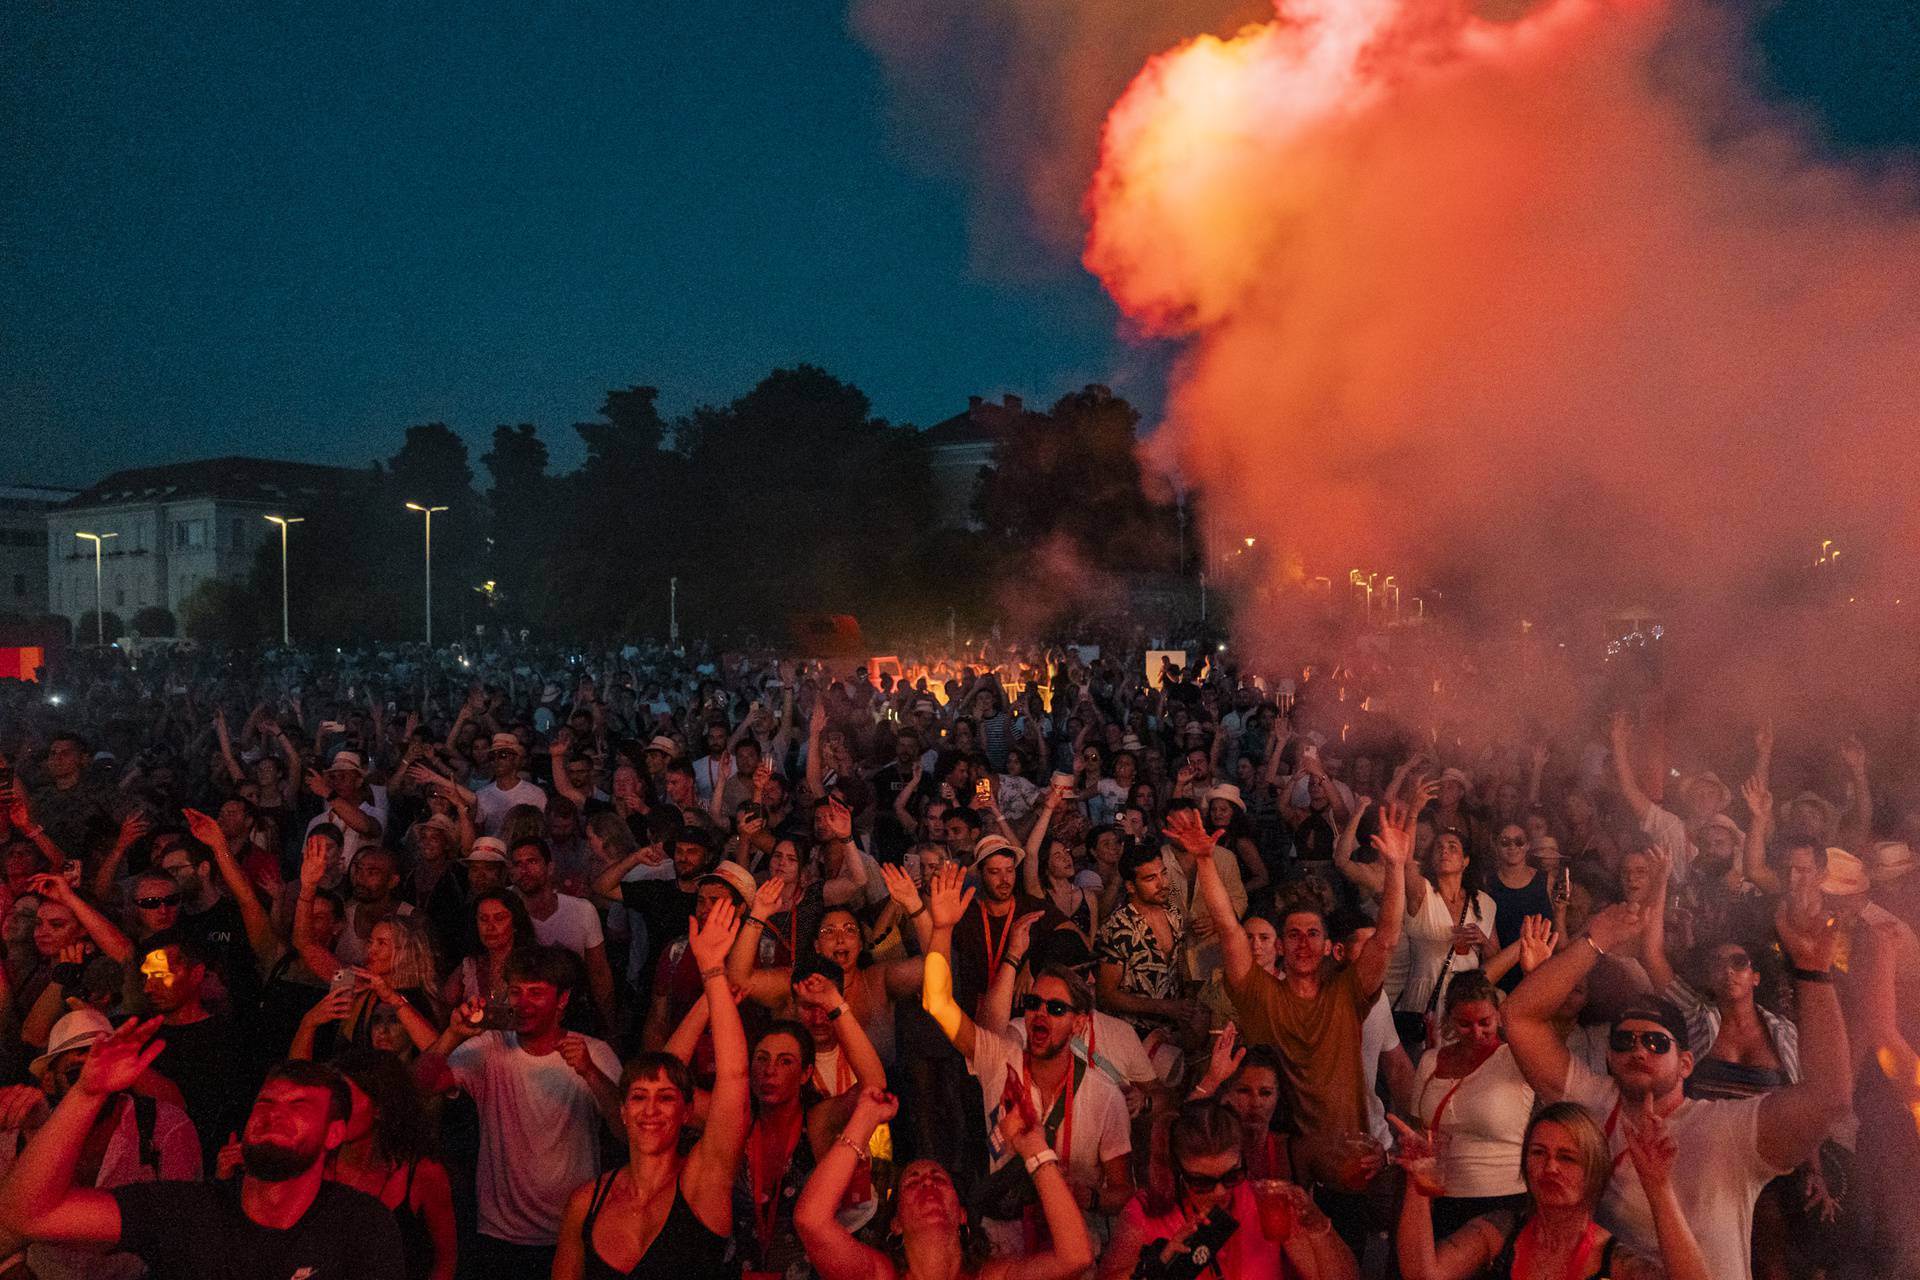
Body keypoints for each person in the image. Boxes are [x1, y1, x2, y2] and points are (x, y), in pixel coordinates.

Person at [1501, 899, 1853, 1280]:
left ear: (1686, 1062)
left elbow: (1828, 1097)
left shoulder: (1727, 1128)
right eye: (1624, 1041)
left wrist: (1814, 972)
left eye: (1655, 1043)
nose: (1638, 1049)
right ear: (1608, 1054)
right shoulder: (1591, 1103)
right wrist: (1593, 942)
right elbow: (1519, 1018)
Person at [0, 1023, 405, 1279]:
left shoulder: (361, 1226)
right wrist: (87, 1094)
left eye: (299, 1106)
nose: (273, 1115)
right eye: (265, 1103)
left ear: (334, 1134)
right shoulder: (185, 1211)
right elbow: (28, 1214)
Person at [920, 876, 1133, 1254]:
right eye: (1034, 1004)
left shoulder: (1104, 1096)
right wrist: (941, 929)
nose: (1040, 1016)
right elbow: (937, 1002)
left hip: (1070, 1241)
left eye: (1056, 1009)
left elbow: (1122, 1190)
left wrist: (1091, 1198)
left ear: (1080, 1022)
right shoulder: (998, 1058)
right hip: (1003, 1238)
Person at [550, 889, 750, 1278]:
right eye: (639, 1097)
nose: (651, 1109)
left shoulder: (702, 1183)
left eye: (665, 1099)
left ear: (687, 1111)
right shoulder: (586, 1202)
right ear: (623, 1111)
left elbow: (734, 1079)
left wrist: (712, 969)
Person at [418, 945, 622, 1278]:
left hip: (572, 1230)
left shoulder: (594, 1053)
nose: (523, 1003)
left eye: (536, 993)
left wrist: (590, 1073)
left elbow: (624, 1130)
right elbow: (416, 1088)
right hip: (500, 1233)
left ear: (562, 999)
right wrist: (451, 1036)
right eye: (516, 992)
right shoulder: (490, 1046)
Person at [796, 1086, 1095, 1280]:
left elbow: (1075, 1257)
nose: (927, 1183)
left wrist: (1034, 1149)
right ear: (896, 1222)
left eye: (939, 1179)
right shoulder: (878, 1276)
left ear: (963, 1214)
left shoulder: (992, 1277)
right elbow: (811, 1220)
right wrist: (864, 1118)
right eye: (913, 1182)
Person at [1394, 1101, 1710, 1280]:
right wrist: (1418, 1180)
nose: (1551, 1167)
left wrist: (1658, 1186)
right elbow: (1422, 1275)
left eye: (1567, 1157)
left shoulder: (1613, 1262)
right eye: (1538, 1153)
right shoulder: (1498, 1232)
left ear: (1594, 1171)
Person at [0, 1008, 201, 1280]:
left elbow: (184, 1232)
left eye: (103, 1067)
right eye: (76, 1074)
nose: (95, 1080)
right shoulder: (17, 1136)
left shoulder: (162, 1127)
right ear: (48, 1080)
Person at [1098, 1099, 1359, 1280]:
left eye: (1233, 1176)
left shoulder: (1266, 1201)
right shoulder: (1148, 1210)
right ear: (1179, 1170)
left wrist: (1319, 1228)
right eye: (1203, 1182)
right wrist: (1158, 1264)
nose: (1220, 1191)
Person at [1409, 971, 1536, 1238]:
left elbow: (1543, 1022)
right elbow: (1419, 1129)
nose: (1477, 1032)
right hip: (1441, 1196)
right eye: (1465, 1024)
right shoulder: (1430, 1062)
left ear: (1498, 1016)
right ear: (1451, 1022)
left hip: (1503, 1199)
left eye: (1484, 1022)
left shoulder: (1515, 1058)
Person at [316, 1048, 457, 1280]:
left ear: (380, 1108)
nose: (336, 1110)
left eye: (347, 1099)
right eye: (333, 1099)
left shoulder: (423, 1174)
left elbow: (445, 1263)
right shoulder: (314, 1166)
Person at [508, 836, 616, 1031]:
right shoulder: (502, 912)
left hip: (571, 1016)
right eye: (518, 864)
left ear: (550, 868)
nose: (524, 870)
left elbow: (599, 973)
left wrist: (609, 1025)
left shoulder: (582, 910)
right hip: (519, 1017)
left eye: (532, 862)